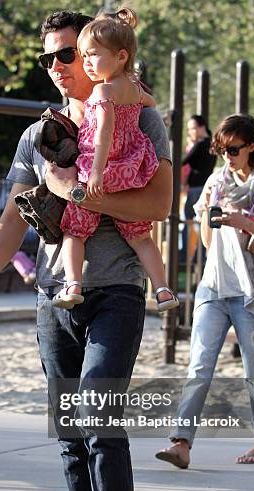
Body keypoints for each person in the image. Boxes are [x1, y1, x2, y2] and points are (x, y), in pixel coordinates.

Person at [0, 9, 172, 491]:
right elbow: (10, 218)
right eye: (47, 58)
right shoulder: (40, 136)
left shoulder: (141, 117)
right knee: (70, 435)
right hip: (55, 298)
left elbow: (158, 201)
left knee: (100, 421)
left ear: (91, 55)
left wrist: (73, 189)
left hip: (117, 293)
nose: (54, 67)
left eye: (64, 55)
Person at [155, 114, 254, 469]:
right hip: (214, 286)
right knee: (199, 364)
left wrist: (245, 222)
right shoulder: (216, 180)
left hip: (253, 290)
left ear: (252, 147)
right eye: (221, 150)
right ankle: (181, 442)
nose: (227, 157)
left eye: (233, 150)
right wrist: (209, 213)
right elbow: (206, 241)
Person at [53, 8, 177, 313]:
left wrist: (95, 173)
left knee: (75, 230)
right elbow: (151, 102)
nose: (88, 64)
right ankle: (162, 290)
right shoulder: (133, 89)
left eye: (93, 55)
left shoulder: (102, 91)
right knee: (140, 236)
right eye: (84, 55)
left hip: (102, 169)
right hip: (130, 169)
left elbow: (103, 134)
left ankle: (72, 284)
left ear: (121, 56)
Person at [179, 115, 216, 261]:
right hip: (204, 188)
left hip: (195, 189)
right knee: (200, 222)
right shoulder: (212, 144)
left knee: (186, 221)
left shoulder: (201, 145)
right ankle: (198, 255)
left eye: (193, 128)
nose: (191, 132)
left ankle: (183, 255)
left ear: (202, 127)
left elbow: (184, 161)